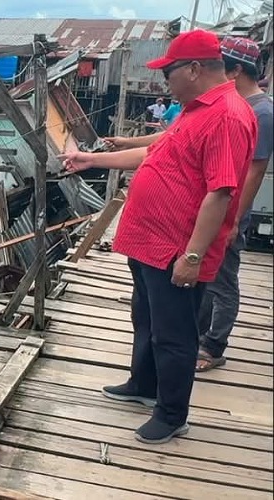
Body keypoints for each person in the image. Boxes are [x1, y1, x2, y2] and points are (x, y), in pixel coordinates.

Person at [59, 30, 257, 444]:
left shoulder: (227, 115)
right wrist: (89, 159)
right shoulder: (192, 109)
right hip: (148, 241)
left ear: (194, 69)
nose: (165, 80)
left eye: (169, 72)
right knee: (146, 320)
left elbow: (221, 191)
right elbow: (151, 155)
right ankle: (143, 384)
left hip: (176, 248)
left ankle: (171, 414)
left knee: (175, 334)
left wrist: (194, 256)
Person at [198, 37, 273, 371]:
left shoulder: (262, 112)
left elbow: (255, 172)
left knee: (223, 279)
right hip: (217, 207)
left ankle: (214, 346)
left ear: (237, 70)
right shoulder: (240, 106)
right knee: (208, 275)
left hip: (231, 211)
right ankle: (199, 336)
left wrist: (234, 220)